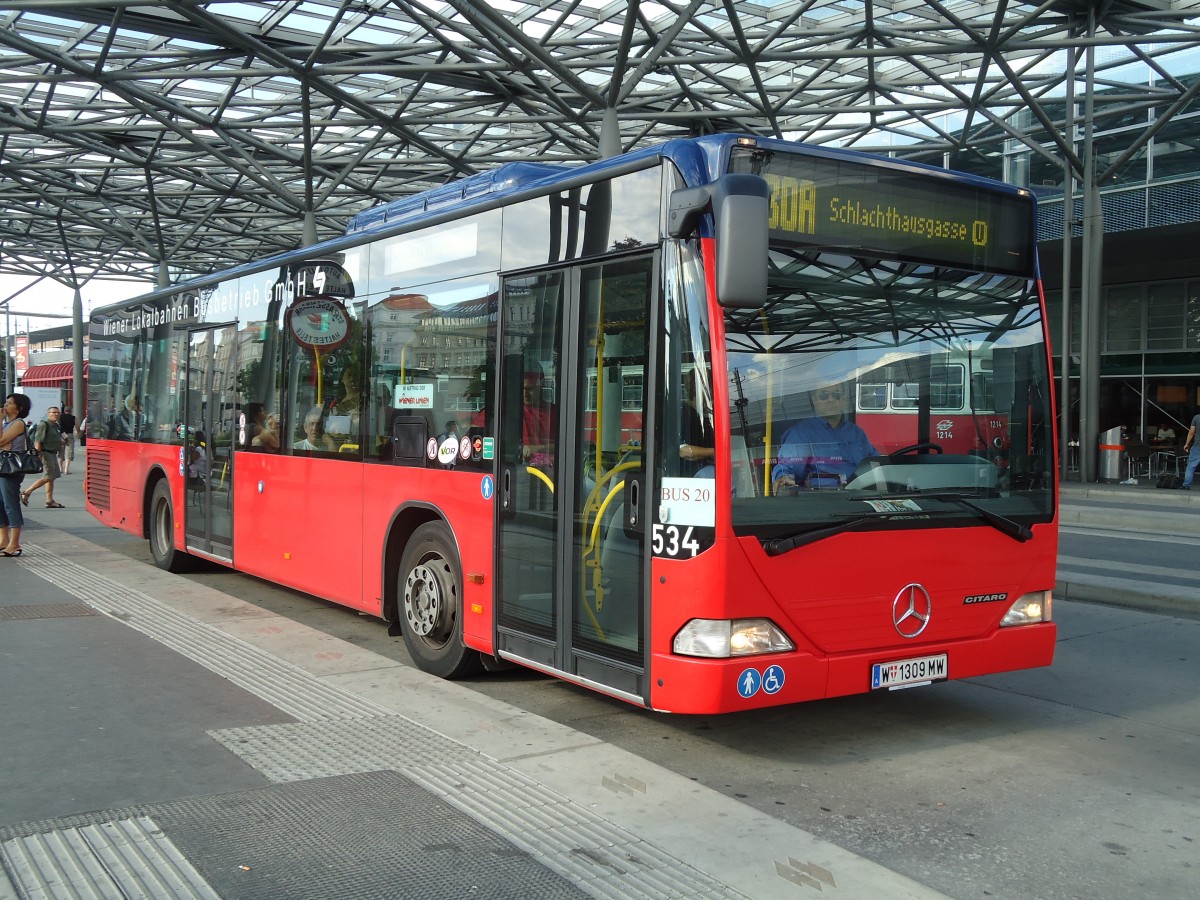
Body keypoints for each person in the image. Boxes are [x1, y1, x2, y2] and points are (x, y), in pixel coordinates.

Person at [772, 382, 876, 493]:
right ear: (814, 399)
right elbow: (786, 468)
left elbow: (875, 464)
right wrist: (783, 478)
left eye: (836, 395)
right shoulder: (801, 433)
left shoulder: (856, 433)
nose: (831, 399)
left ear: (844, 399)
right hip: (822, 501)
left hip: (860, 497)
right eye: (823, 395)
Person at [0, 392, 33, 556]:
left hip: (11, 469)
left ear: (19, 408)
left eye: (9, 403)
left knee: (10, 504)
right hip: (2, 468)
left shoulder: (18, 423)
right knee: (0, 504)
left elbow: (0, 442)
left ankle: (15, 544)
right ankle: (3, 539)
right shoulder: (7, 423)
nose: (5, 405)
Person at [22, 405, 64, 508]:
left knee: (51, 477)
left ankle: (49, 501)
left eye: (57, 413)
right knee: (48, 477)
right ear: (48, 414)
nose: (56, 414)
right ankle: (27, 492)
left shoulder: (56, 425)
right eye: (53, 412)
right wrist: (38, 455)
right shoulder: (44, 425)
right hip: (46, 453)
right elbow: (38, 441)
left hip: (53, 453)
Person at [1181, 412, 1200, 490]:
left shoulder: (1196, 417)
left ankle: (1186, 485)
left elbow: (1191, 432)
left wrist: (1187, 444)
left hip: (1198, 445)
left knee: (1191, 466)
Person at [58, 407, 77, 475]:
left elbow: (57, 426)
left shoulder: (60, 417)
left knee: (61, 451)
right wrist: (77, 431)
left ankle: (60, 468)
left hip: (61, 435)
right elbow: (77, 427)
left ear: (64, 410)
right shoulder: (73, 417)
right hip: (69, 435)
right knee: (69, 452)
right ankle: (66, 469)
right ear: (71, 411)